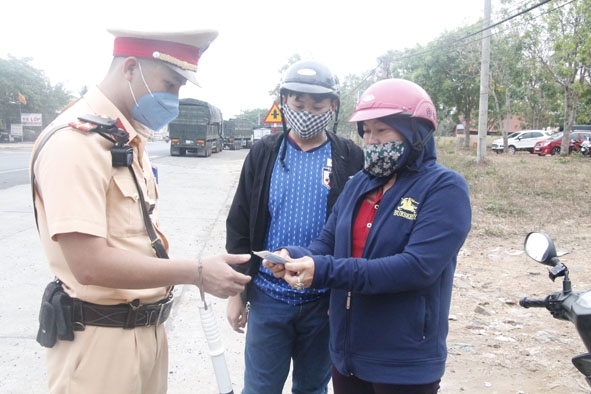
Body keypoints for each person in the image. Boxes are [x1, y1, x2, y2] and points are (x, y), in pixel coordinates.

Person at [30, 28, 251, 394]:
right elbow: (88, 264)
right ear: (130, 68)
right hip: (99, 343)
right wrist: (196, 272)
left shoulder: (126, 137)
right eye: (170, 83)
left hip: (143, 333)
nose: (174, 98)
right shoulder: (76, 143)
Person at [267, 78, 472, 394]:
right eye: (365, 131)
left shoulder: (444, 188)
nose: (371, 140)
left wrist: (324, 270)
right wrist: (294, 256)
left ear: (415, 132)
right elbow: (328, 243)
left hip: (404, 363)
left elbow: (416, 267)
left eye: (382, 130)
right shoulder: (358, 183)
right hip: (347, 354)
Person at [225, 60, 364, 394]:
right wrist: (236, 294)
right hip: (269, 298)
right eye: (298, 104)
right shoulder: (263, 154)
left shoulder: (349, 157)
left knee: (313, 387)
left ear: (333, 105)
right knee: (260, 388)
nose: (307, 112)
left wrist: (347, 299)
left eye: (317, 105)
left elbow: (359, 232)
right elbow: (240, 226)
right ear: (284, 102)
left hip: (324, 302)